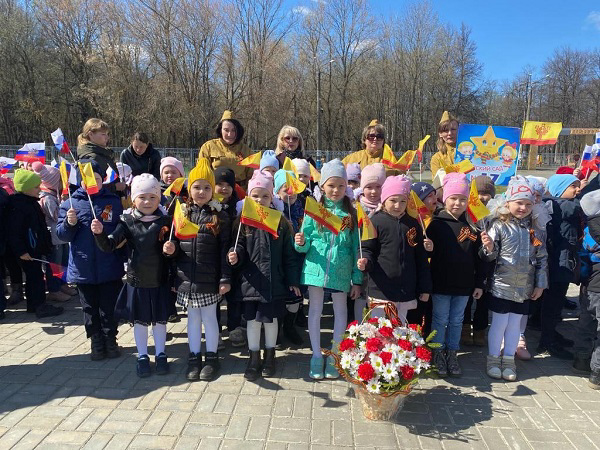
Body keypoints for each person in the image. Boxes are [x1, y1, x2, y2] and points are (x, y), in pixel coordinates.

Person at [92, 174, 172, 377]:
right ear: (133, 198)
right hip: (137, 280)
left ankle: (161, 354)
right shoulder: (127, 222)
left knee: (160, 321)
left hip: (159, 279)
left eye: (153, 197)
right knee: (140, 321)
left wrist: (172, 249)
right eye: (142, 197)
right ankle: (143, 356)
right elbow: (109, 245)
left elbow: (174, 250)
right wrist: (100, 233)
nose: (147, 202)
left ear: (159, 198)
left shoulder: (166, 220)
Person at [228, 171, 300, 380]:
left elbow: (289, 255)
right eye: (255, 196)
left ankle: (270, 355)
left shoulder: (279, 222)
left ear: (272, 198)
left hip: (273, 282)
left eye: (265, 196)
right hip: (251, 283)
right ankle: (254, 357)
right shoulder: (243, 221)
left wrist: (292, 280)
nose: (260, 200)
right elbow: (238, 246)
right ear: (249, 198)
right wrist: (234, 256)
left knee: (270, 321)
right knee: (252, 321)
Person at [294, 159, 362, 380]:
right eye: (331, 185)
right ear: (322, 186)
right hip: (316, 267)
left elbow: (356, 248)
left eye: (341, 186)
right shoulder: (314, 211)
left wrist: (357, 277)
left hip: (340, 270)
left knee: (340, 311)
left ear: (346, 187)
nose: (335, 190)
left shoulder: (351, 215)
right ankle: (315, 355)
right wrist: (300, 241)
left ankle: (334, 356)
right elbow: (302, 247)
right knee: (315, 310)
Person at [164, 159, 232, 382]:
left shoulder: (219, 216)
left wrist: (225, 277)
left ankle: (212, 358)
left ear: (212, 190)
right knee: (192, 319)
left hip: (209, 278)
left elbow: (225, 250)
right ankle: (194, 357)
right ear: (189, 189)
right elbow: (175, 247)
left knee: (210, 319)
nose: (201, 192)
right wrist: (170, 250)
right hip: (187, 278)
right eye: (196, 187)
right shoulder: (182, 213)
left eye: (206, 187)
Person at [481, 177, 547, 381]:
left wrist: (540, 284)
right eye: (519, 202)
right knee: (500, 323)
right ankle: (493, 358)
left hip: (524, 288)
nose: (523, 208)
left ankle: (509, 359)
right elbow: (487, 256)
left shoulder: (534, 229)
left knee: (516, 326)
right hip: (501, 285)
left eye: (528, 204)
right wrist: (489, 248)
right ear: (507, 202)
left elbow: (542, 258)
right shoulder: (498, 225)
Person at [57, 160, 123, 359]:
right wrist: (70, 223)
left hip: (109, 265)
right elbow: (62, 235)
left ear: (103, 179)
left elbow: (121, 231)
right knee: (89, 308)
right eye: (87, 178)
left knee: (108, 307)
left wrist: (105, 231)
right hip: (83, 268)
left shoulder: (113, 201)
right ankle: (96, 341)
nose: (92, 182)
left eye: (96, 178)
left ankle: (110, 339)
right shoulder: (70, 203)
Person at [427, 172, 484, 378]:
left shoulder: (473, 226)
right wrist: (427, 249)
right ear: (445, 199)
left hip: (464, 284)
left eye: (462, 199)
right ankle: (438, 353)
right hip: (441, 283)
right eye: (453, 198)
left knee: (457, 320)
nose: (458, 203)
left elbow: (479, 257)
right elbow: (427, 255)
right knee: (440, 318)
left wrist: (479, 283)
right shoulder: (436, 224)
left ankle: (452, 353)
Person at [357, 175, 433, 321]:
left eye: (402, 201)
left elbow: (421, 259)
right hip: (380, 289)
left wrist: (425, 288)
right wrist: (365, 260)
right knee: (380, 330)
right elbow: (367, 248)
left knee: (401, 331)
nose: (398, 206)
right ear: (384, 200)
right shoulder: (375, 221)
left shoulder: (413, 224)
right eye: (393, 200)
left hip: (406, 289)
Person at [7, 169, 63, 318]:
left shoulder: (31, 203)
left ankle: (35, 305)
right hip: (27, 250)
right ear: (26, 189)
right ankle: (39, 306)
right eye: (36, 187)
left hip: (34, 248)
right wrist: (21, 251)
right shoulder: (19, 206)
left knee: (36, 276)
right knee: (35, 277)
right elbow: (14, 232)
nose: (40, 189)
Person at [538, 174, 583, 359]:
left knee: (554, 304)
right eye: (574, 186)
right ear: (559, 189)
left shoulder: (559, 204)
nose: (578, 190)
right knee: (553, 305)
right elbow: (582, 205)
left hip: (562, 262)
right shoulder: (562, 205)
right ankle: (547, 342)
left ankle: (551, 334)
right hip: (558, 265)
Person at [31, 162, 73, 302]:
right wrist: (65, 205)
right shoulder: (48, 198)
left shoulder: (54, 195)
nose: (63, 183)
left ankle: (63, 283)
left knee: (63, 261)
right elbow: (57, 216)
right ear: (53, 182)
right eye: (61, 180)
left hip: (61, 236)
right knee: (55, 263)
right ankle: (54, 289)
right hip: (54, 237)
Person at [461, 175, 495, 347]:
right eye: (478, 193)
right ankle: (465, 327)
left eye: (486, 193)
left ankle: (480, 329)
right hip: (470, 264)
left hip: (490, 264)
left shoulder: (495, 215)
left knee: (484, 300)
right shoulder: (466, 215)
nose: (482, 197)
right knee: (467, 298)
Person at [213, 166, 245, 348]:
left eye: (228, 185)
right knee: (215, 296)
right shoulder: (209, 206)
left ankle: (234, 328)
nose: (224, 188)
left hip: (234, 256)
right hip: (214, 258)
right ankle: (215, 330)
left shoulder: (238, 207)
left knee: (234, 295)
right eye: (220, 184)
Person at [273, 169, 305, 345]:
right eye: (286, 189)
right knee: (279, 300)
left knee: (295, 298)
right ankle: (276, 330)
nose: (291, 193)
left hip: (297, 260)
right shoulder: (273, 210)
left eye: (294, 188)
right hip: (279, 262)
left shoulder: (303, 208)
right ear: (277, 191)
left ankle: (289, 326)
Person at [577, 190, 600, 389]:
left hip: (589, 282)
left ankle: (581, 359)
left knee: (586, 320)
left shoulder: (588, 226)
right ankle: (597, 372)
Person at [198, 110, 253, 189]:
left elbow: (252, 175)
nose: (230, 134)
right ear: (220, 130)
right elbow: (202, 172)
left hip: (240, 191)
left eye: (233, 130)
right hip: (215, 190)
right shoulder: (208, 147)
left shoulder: (246, 150)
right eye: (226, 130)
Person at [76, 118, 126, 195]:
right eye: (103, 134)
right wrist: (115, 187)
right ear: (91, 134)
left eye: (107, 134)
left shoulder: (102, 153)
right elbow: (90, 187)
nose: (107, 137)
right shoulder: (90, 158)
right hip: (101, 203)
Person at [430, 111, 459, 177]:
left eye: (453, 129)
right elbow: (438, 184)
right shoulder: (436, 158)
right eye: (445, 130)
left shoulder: (471, 152)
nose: (450, 133)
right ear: (440, 134)